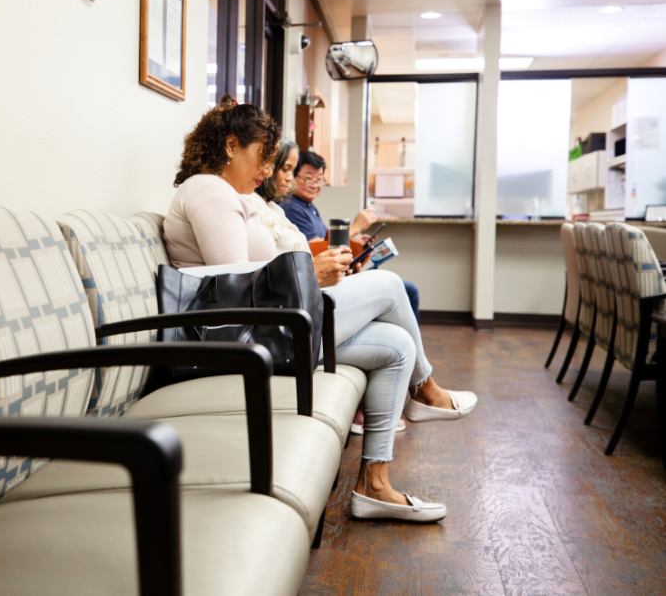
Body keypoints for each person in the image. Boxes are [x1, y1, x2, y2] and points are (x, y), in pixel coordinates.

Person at [164, 96, 477, 523]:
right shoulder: (208, 190)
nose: (267, 173)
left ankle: (375, 486)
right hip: (246, 335)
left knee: (398, 344)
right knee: (387, 285)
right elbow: (234, 288)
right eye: (262, 159)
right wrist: (309, 272)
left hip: (268, 326)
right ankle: (425, 388)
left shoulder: (233, 194)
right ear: (231, 146)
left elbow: (249, 278)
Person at [243, 141, 405, 436]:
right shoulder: (259, 206)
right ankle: (425, 390)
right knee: (393, 286)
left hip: (312, 296)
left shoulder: (278, 209)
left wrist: (336, 260)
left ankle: (375, 477)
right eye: (289, 170)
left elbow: (306, 255)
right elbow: (259, 276)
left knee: (400, 341)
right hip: (296, 311)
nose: (290, 179)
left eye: (317, 178)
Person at [282, 150, 422, 324]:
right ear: (293, 176)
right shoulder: (291, 208)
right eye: (308, 178)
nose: (315, 185)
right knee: (409, 290)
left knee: (402, 286)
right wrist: (355, 227)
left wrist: (354, 243)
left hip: (339, 273)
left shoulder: (309, 207)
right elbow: (314, 249)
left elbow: (327, 243)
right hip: (325, 281)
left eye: (319, 180)